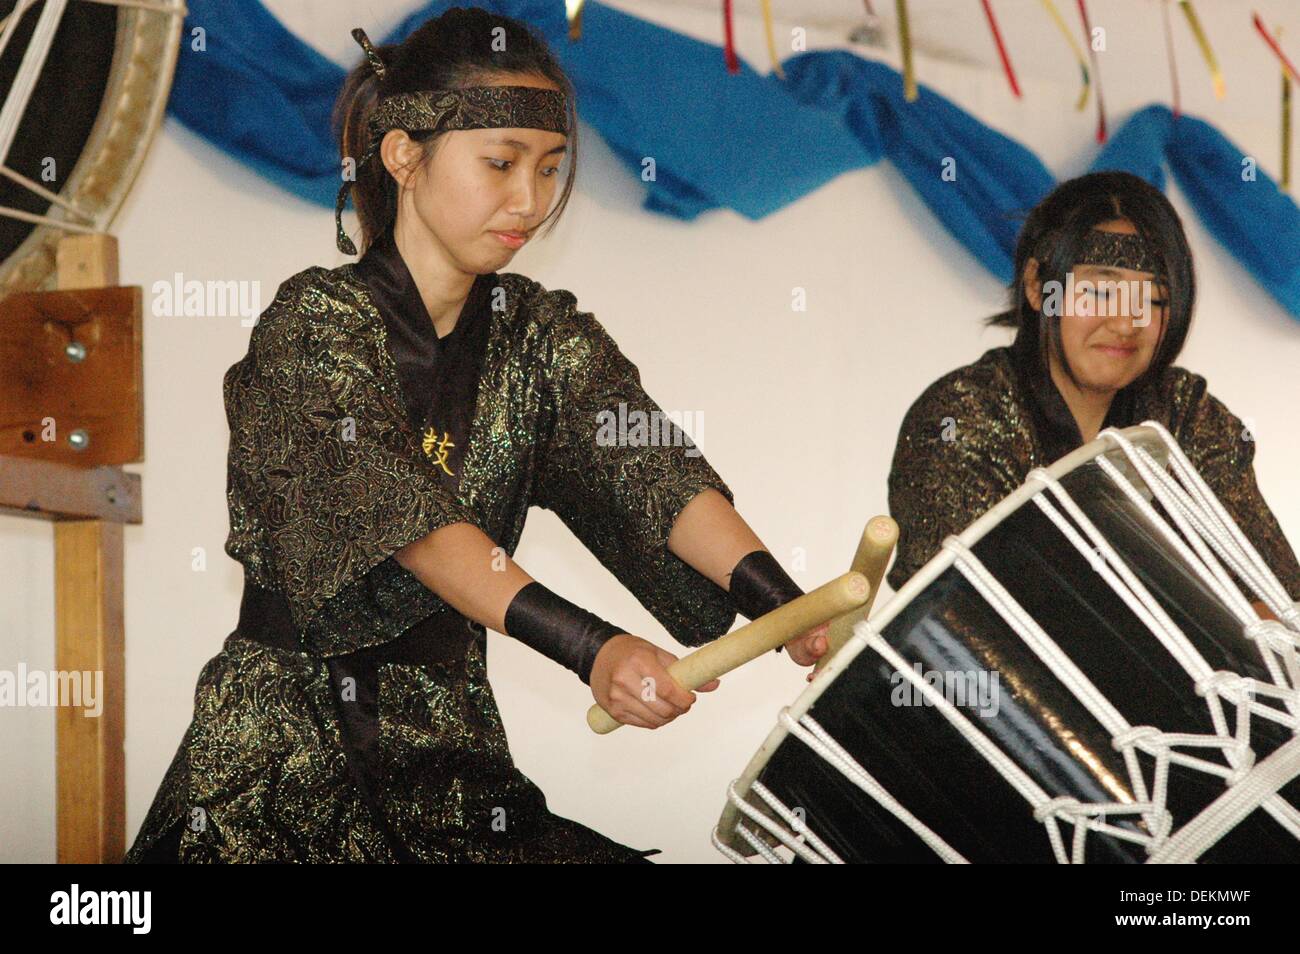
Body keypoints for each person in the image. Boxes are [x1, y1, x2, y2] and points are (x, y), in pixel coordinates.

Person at [125, 8, 827, 864]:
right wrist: (590, 646)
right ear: (404, 155)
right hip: (282, 761)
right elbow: (406, 521)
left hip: (450, 757)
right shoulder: (312, 323)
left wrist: (782, 603)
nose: (529, 202)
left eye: (550, 169)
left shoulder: (539, 333)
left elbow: (648, 468)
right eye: (500, 164)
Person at [886, 171, 1300, 610]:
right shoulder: (962, 417)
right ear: (1036, 285)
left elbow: (1273, 596)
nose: (1126, 323)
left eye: (1153, 299)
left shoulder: (1185, 415)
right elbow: (958, 621)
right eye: (1101, 292)